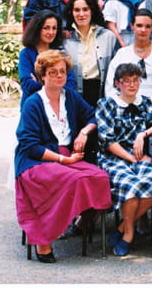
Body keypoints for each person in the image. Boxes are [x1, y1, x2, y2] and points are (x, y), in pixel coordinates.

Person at [15, 50, 111, 263]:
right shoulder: (33, 103)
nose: (59, 76)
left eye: (62, 71)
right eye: (53, 72)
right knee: (73, 179)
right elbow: (30, 145)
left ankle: (82, 222)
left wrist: (83, 132)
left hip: (67, 156)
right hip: (36, 161)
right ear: (42, 76)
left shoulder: (71, 97)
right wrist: (62, 160)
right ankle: (43, 240)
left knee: (99, 177)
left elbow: (93, 116)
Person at [95, 63, 152, 256]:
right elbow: (107, 140)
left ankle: (122, 227)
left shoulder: (145, 103)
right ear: (117, 83)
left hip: (140, 156)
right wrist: (131, 158)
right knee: (130, 186)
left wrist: (142, 135)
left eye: (136, 80)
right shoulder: (106, 104)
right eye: (126, 81)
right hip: (114, 157)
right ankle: (129, 234)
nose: (132, 85)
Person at [104, 9, 152, 109]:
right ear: (132, 26)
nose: (143, 30)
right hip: (128, 109)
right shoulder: (122, 54)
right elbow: (111, 87)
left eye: (147, 26)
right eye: (139, 25)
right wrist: (122, 108)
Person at [62, 0, 118, 106]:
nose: (81, 14)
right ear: (71, 12)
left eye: (85, 9)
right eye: (77, 10)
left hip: (101, 93)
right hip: (73, 94)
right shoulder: (65, 39)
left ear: (92, 10)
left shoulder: (109, 37)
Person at [18, 10, 77, 109]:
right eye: (46, 28)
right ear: (37, 29)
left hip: (59, 108)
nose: (51, 32)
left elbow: (71, 84)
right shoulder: (26, 54)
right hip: (34, 108)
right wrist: (58, 84)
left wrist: (40, 82)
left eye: (54, 28)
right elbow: (28, 86)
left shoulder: (61, 53)